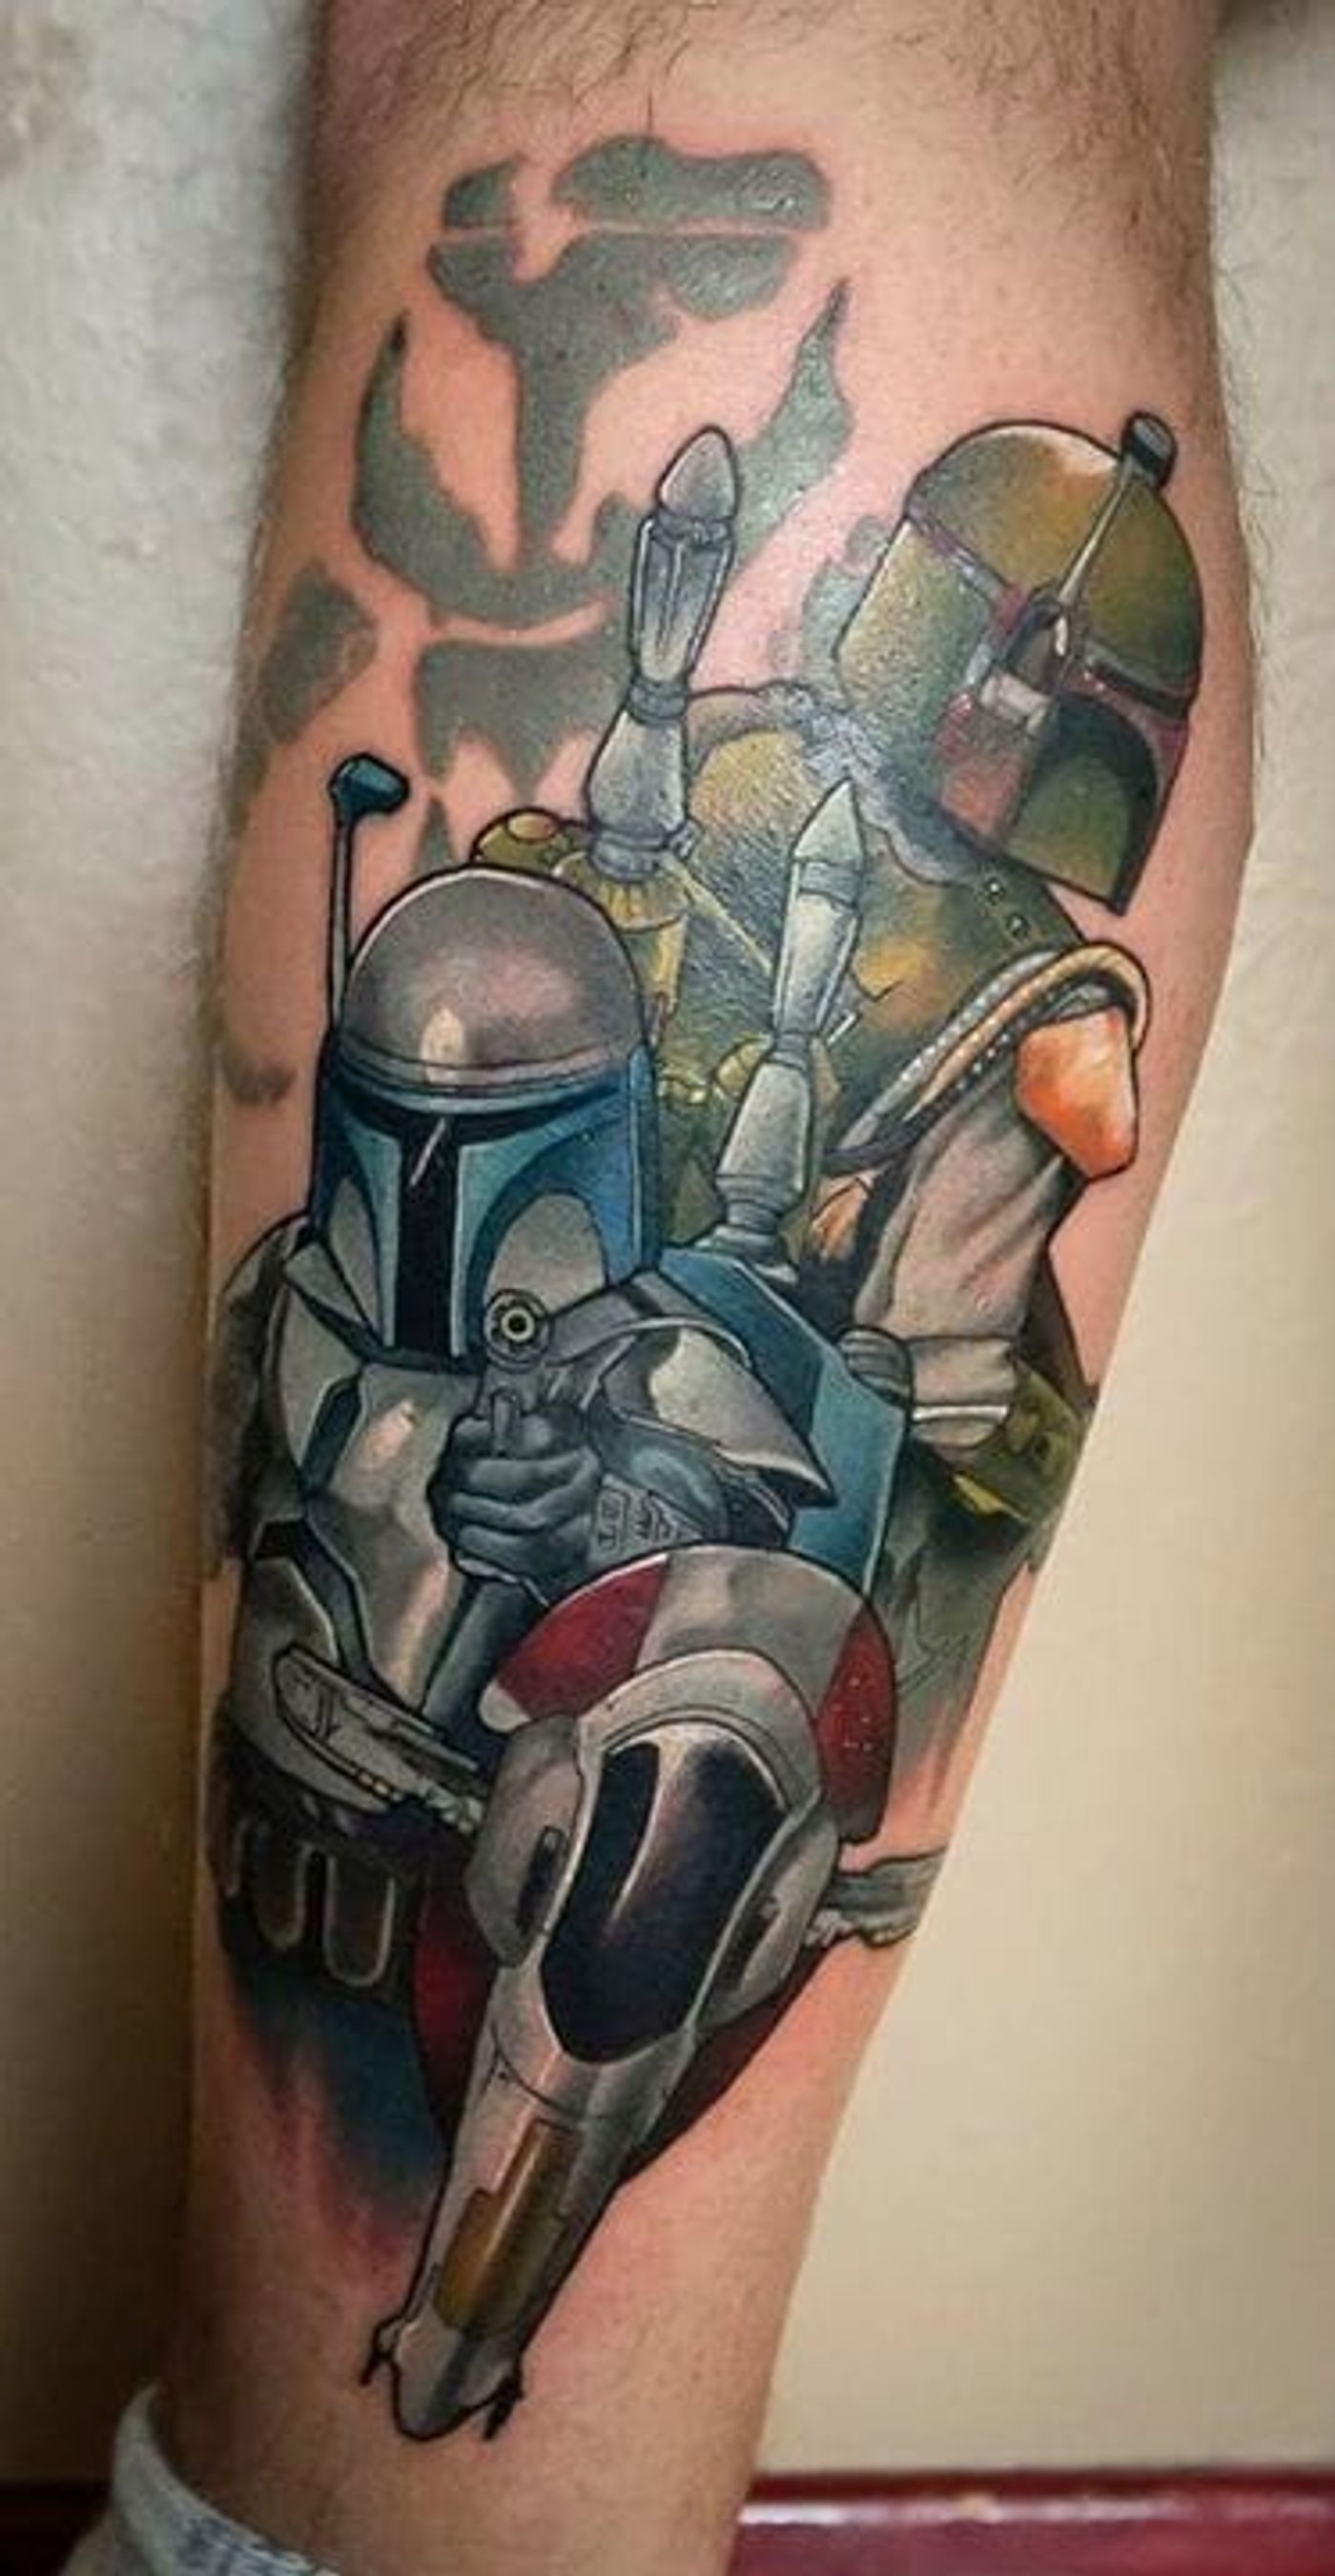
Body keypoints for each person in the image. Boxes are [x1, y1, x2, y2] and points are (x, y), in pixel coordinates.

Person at [72, 1, 1251, 2569]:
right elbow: (537, 966)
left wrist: (704, 1412)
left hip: (747, 1494)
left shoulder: (1044, 1020)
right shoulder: (718, 762)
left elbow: (915, 1404)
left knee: (670, 1820)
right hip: (494, 1355)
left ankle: (404, 2467)